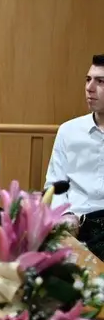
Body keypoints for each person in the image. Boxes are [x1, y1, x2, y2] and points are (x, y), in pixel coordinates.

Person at [45, 54, 104, 260]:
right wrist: (64, 214)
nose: (90, 87)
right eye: (88, 79)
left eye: (100, 81)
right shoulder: (69, 131)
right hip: (77, 225)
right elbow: (54, 184)